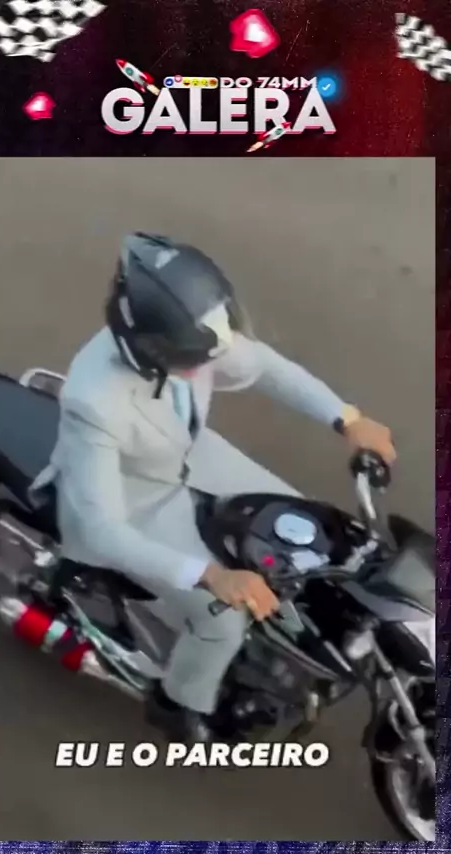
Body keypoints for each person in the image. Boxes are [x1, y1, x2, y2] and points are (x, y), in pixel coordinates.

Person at [31, 232, 396, 743]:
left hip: (192, 460)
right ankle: (182, 703)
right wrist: (210, 576)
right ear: (154, 348)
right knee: (220, 619)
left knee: (310, 528)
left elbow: (263, 366)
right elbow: (102, 527)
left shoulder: (195, 339)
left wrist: (347, 418)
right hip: (134, 502)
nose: (215, 361)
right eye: (201, 358)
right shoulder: (95, 400)